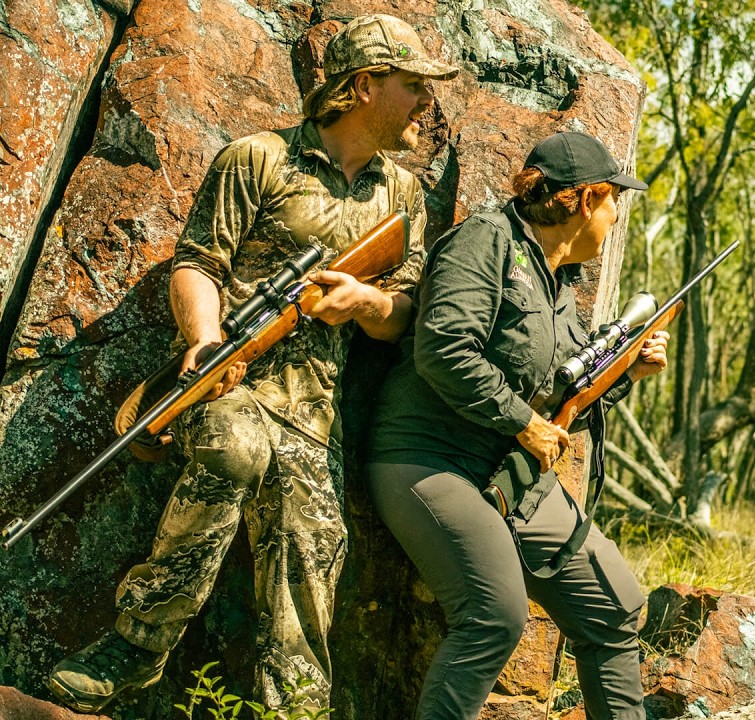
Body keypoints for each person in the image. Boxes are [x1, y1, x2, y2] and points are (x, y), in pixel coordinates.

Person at [45, 14, 456, 714]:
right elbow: (198, 263)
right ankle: (138, 644)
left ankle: (293, 705)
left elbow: (402, 316)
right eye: (413, 85)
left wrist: (362, 301)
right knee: (233, 446)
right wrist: (205, 340)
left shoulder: (403, 196)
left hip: (311, 413)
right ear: (362, 86)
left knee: (311, 547)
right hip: (235, 375)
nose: (427, 104)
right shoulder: (260, 158)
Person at [368, 131, 664, 720]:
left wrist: (629, 374)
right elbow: (445, 348)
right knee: (494, 615)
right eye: (612, 202)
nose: (613, 217)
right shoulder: (485, 242)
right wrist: (523, 421)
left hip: (514, 475)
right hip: (428, 460)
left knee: (616, 607)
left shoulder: (559, 282)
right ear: (584, 199)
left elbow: (565, 405)